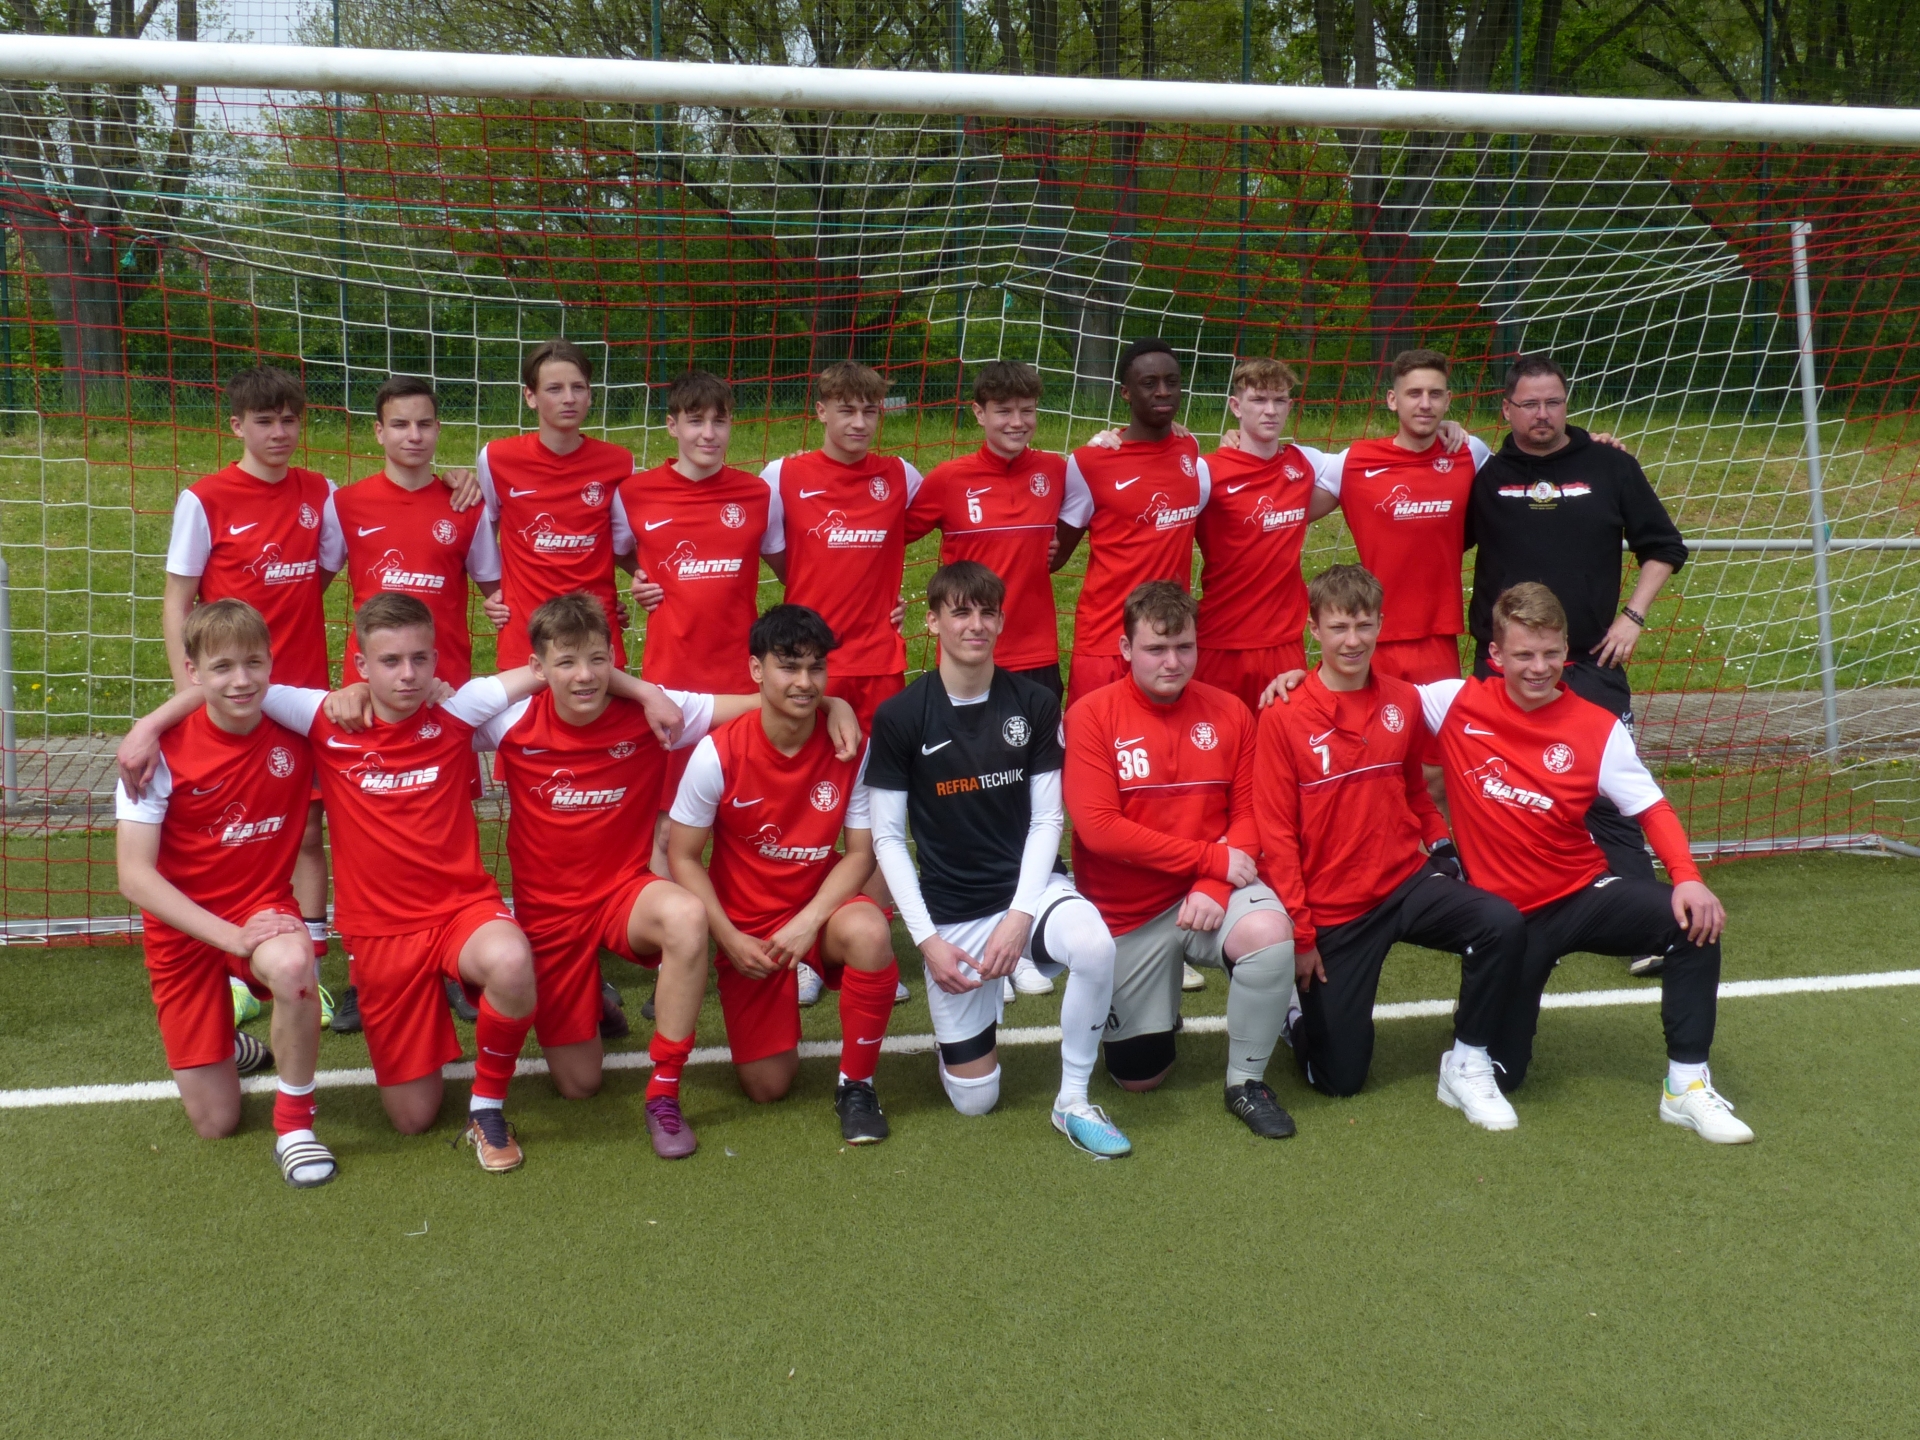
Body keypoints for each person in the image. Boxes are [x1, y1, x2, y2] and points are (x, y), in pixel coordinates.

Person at [474, 592, 860, 1158]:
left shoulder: (658, 714)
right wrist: (361, 693)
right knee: (579, 1085)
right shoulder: (508, 721)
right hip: (548, 916)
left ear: (615, 657)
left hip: (624, 898)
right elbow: (436, 711)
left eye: (598, 660)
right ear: (538, 668)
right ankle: (591, 1003)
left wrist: (832, 704)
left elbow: (765, 701)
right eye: (566, 663)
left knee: (685, 914)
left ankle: (663, 1093)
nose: (585, 676)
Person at [1415, 583, 1749, 1143]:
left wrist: (1688, 879)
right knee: (1506, 1074)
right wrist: (1299, 680)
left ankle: (1686, 1087)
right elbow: (1369, 696)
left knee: (1690, 924)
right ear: (1495, 654)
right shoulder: (1452, 701)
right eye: (1524, 654)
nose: (1539, 667)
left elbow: (1652, 808)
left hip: (1580, 894)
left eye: (1551, 653)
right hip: (1506, 923)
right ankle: (1464, 1060)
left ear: (1566, 648)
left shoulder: (1597, 727)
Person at [866, 561, 1132, 1157]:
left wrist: (1018, 917)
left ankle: (1073, 1100)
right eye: (960, 612)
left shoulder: (1034, 703)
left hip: (1030, 895)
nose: (976, 625)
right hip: (954, 915)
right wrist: (927, 942)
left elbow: (1047, 821)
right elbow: (887, 840)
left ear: (1002, 622)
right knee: (975, 1100)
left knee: (1093, 945)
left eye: (987, 613)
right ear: (932, 622)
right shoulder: (900, 716)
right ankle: (964, 1037)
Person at [1253, 565, 1527, 1129]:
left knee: (1500, 923)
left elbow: (1415, 791)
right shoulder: (1282, 716)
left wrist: (1440, 843)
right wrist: (1301, 935)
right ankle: (1295, 1017)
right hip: (1335, 910)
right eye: (1338, 627)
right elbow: (1276, 835)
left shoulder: (1404, 700)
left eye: (1363, 625)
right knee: (1339, 1080)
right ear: (1314, 630)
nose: (1352, 640)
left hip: (1405, 882)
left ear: (1381, 624)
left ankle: (1468, 1058)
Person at [1466, 354, 1690, 974]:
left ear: (1567, 404)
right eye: (1529, 404)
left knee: (1611, 796)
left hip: (1590, 660)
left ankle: (1646, 929)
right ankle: (1510, 922)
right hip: (1504, 670)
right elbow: (1433, 536)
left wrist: (1633, 616)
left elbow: (1664, 546)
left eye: (1554, 402)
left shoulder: (1610, 465)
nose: (1543, 415)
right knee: (1502, 794)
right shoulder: (1485, 476)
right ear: (1506, 410)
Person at [1063, 581, 1299, 1139]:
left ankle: (1246, 1083)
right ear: (1125, 649)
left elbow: (1250, 815)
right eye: (1156, 648)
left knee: (1268, 933)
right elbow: (1100, 831)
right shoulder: (1091, 715)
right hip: (1128, 915)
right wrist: (1209, 861)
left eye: (1184, 647)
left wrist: (1213, 884)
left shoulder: (1230, 712)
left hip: (1210, 895)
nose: (1172, 662)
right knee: (1139, 1077)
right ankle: (1160, 1003)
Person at [114, 600, 336, 1188]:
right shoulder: (152, 755)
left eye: (253, 663)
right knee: (216, 1123)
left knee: (294, 967)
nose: (241, 680)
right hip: (183, 931)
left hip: (262, 910)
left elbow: (371, 705)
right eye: (222, 667)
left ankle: (295, 1128)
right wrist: (231, 937)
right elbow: (133, 877)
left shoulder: (298, 728)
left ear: (271, 663)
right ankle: (231, 1045)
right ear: (192, 672)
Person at [667, 604, 900, 1144]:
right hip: (750, 932)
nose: (805, 682)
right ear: (756, 670)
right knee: (767, 1086)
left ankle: (857, 1086)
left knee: (869, 931)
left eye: (816, 668)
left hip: (821, 914)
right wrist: (728, 936)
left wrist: (808, 922)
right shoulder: (716, 753)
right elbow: (683, 857)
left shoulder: (850, 747)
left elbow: (860, 853)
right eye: (789, 667)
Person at [326, 374, 506, 1034]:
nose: (413, 435)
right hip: (370, 703)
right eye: (399, 424)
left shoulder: (465, 504)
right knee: (363, 836)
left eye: (425, 424)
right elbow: (307, 585)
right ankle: (361, 972)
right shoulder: (345, 504)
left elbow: (495, 591)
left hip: (443, 700)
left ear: (438, 430)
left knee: (448, 829)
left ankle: (454, 961)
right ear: (378, 432)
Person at [161, 364, 344, 1003]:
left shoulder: (321, 492)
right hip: (230, 695)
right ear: (237, 425)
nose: (279, 432)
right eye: (264, 421)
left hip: (299, 692)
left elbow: (320, 574)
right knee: (231, 830)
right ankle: (231, 960)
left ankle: (309, 963)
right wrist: (190, 690)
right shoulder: (204, 499)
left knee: (308, 830)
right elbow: (178, 599)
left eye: (289, 420)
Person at [621, 369, 783, 879]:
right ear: (672, 426)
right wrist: (640, 578)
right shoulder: (634, 493)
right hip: (671, 681)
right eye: (695, 421)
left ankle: (751, 914)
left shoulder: (757, 494)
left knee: (749, 816)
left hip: (741, 680)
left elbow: (796, 570)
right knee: (669, 826)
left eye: (720, 421)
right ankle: (669, 923)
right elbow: (616, 551)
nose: (708, 433)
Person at [1310, 348, 1491, 689]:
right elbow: (1287, 509)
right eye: (1414, 393)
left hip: (1438, 634)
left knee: (1436, 724)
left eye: (1434, 394)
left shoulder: (1469, 452)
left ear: (1448, 400)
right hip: (1370, 632)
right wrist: (1243, 440)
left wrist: (1592, 444)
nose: (1425, 404)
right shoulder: (1355, 461)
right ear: (1393, 400)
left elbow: (1525, 474)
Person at [759, 360, 923, 733]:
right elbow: (753, 544)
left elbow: (952, 516)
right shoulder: (782, 475)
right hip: (809, 658)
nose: (860, 423)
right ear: (822, 411)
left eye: (870, 411)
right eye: (847, 411)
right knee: (809, 760)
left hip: (879, 659)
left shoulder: (901, 475)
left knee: (881, 761)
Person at [1053, 339, 1211, 709]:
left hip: (1167, 641)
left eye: (1172, 382)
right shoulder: (1091, 461)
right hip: (1105, 641)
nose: (1163, 391)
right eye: (1149, 383)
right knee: (1093, 738)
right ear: (1125, 392)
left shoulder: (1189, 449)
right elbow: (1054, 556)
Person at [905, 361, 1067, 702]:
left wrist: (1111, 437)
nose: (1017, 422)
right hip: (968, 649)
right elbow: (886, 538)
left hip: (1036, 651)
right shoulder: (949, 479)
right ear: (979, 413)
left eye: (1027, 410)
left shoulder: (1055, 470)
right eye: (1004, 411)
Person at [477, 338, 638, 671]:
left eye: (578, 387)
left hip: (595, 634)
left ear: (590, 394)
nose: (569, 398)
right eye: (554, 388)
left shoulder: (619, 463)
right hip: (525, 635)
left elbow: (624, 546)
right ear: (530, 397)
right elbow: (481, 531)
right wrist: (495, 592)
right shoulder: (497, 458)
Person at [1191, 357, 1328, 713]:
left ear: (1289, 406)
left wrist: (1446, 428)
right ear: (1236, 406)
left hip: (1284, 644)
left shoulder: (1306, 463)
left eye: (1279, 400)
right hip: (1221, 642)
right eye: (1258, 400)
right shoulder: (1206, 471)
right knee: (1219, 742)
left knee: (1282, 741)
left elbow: (1374, 460)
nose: (1270, 410)